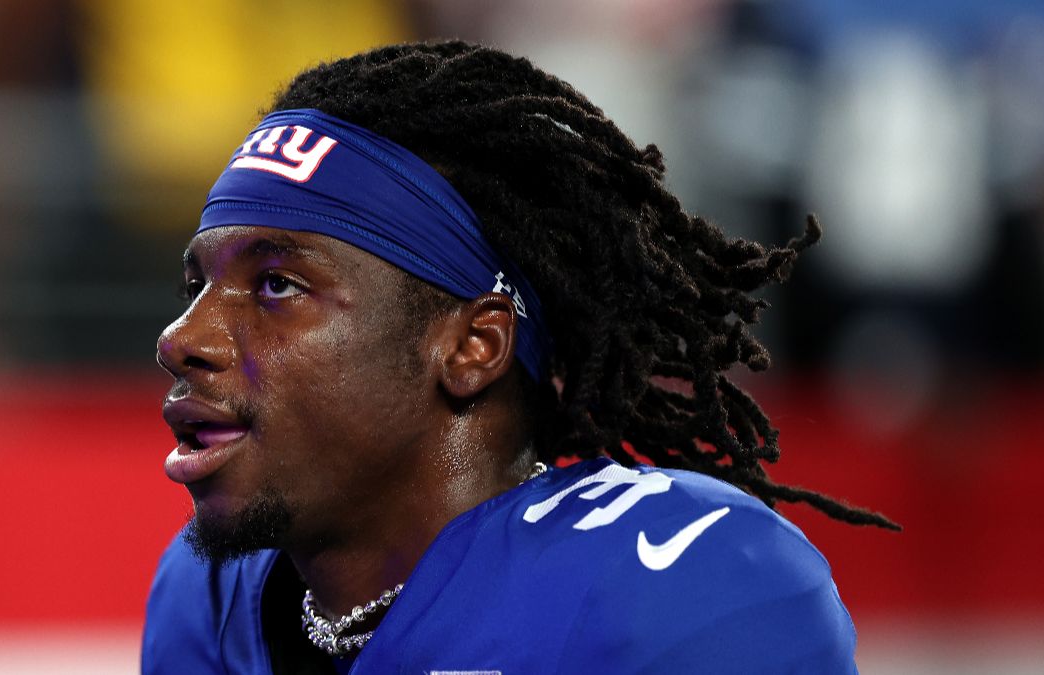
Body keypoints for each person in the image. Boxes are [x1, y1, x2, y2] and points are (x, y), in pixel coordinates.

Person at [142, 40, 897, 674]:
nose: (181, 338)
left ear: (473, 345)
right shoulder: (207, 597)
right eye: (196, 286)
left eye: (277, 285)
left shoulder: (681, 581)